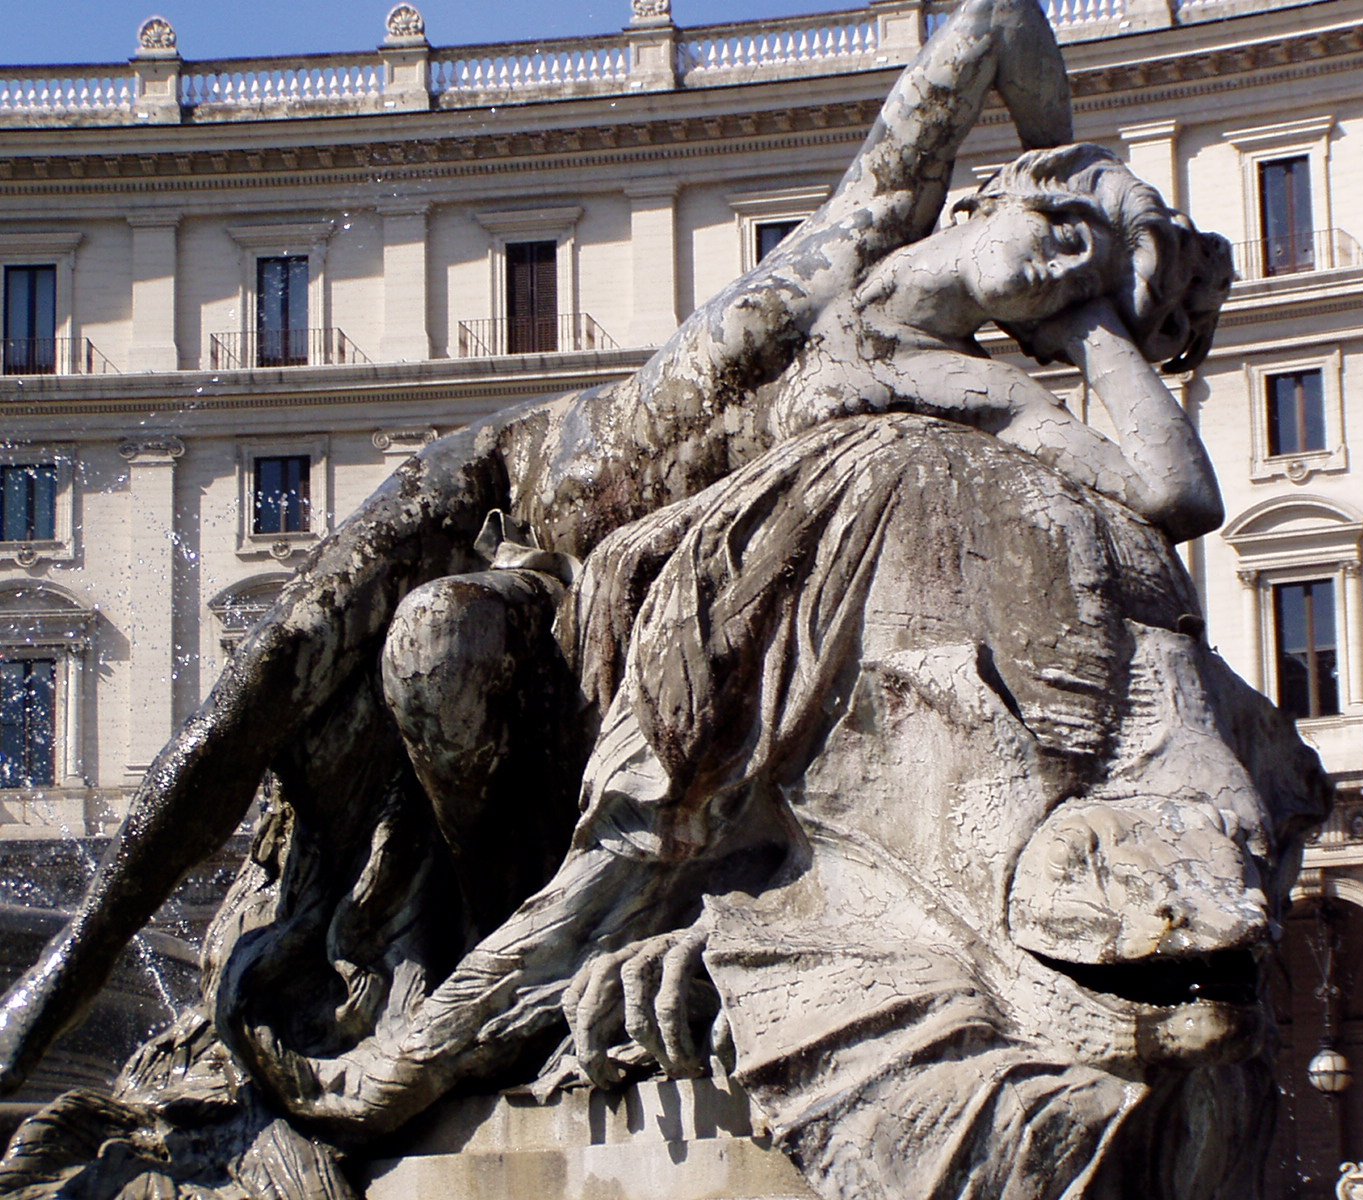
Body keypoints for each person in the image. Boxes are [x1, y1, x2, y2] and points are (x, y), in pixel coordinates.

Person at [0, 0, 1228, 1113]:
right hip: (512, 470)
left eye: (1095, 269)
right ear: (985, 194)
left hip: (575, 588)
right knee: (265, 680)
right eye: (1055, 226)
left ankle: (481, 958)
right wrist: (1080, 168)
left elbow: (1175, 491)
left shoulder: (950, 391)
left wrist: (1097, 329)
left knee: (439, 643)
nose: (1068, 256)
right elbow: (997, 17)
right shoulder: (866, 223)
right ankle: (39, 1006)